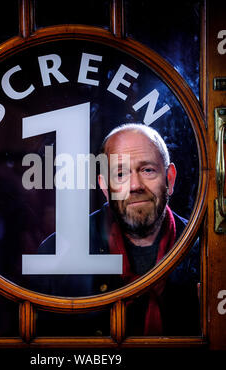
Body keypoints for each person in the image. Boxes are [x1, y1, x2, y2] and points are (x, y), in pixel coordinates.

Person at [29, 124, 200, 336]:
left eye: (148, 170)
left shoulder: (207, 252)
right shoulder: (58, 254)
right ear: (104, 187)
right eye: (120, 174)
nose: (136, 185)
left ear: (170, 179)